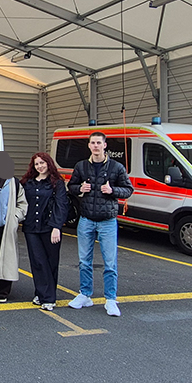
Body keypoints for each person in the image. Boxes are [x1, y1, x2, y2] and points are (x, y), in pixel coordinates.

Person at [66, 131, 133, 317]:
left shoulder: (116, 167)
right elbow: (71, 187)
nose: (95, 146)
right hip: (86, 219)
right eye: (92, 143)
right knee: (83, 261)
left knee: (110, 263)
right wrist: (80, 188)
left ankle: (111, 299)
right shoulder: (81, 166)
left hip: (107, 221)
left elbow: (128, 189)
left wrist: (112, 191)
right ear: (89, 146)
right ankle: (85, 294)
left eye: (98, 143)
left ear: (105, 145)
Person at [20, 152, 68, 311]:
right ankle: (45, 297)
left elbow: (61, 206)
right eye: (36, 164)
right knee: (38, 262)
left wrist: (57, 227)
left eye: (42, 163)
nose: (40, 166)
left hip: (49, 227)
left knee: (51, 262)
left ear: (48, 163)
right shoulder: (27, 183)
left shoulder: (57, 183)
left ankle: (46, 294)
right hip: (31, 228)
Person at [0, 151, 27, 304]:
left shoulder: (14, 183)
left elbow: (22, 204)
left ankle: (3, 291)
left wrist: (15, 218)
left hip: (8, 225)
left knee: (7, 258)